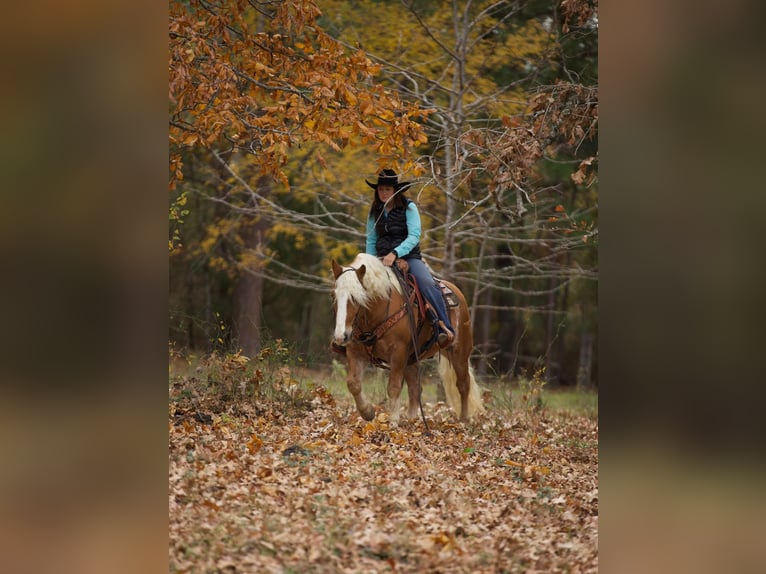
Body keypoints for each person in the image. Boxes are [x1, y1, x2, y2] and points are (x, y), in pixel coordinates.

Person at [364, 168, 455, 348]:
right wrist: (369, 262)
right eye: (380, 189)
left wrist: (395, 253)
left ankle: (443, 328)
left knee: (427, 283)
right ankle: (353, 334)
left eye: (387, 189)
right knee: (358, 286)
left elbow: (414, 236)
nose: (383, 193)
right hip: (380, 259)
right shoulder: (375, 211)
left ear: (395, 191)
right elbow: (371, 239)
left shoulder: (408, 207)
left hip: (408, 257)